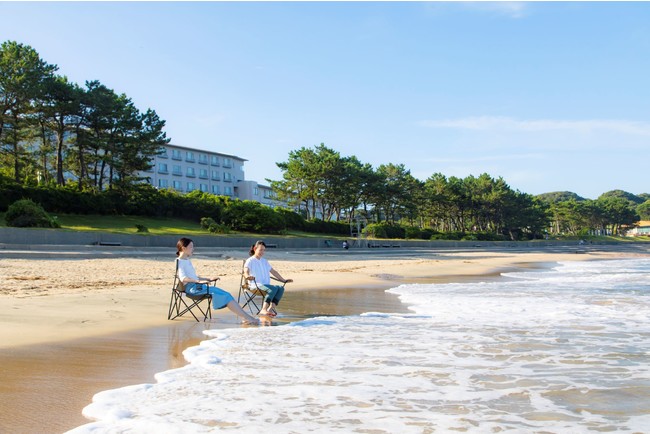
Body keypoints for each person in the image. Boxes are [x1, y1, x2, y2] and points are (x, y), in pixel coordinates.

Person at [176, 237, 259, 325]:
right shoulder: (180, 261)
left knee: (226, 294)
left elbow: (193, 276)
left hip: (198, 286)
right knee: (225, 295)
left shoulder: (186, 260)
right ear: (183, 248)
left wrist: (208, 279)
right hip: (193, 289)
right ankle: (248, 318)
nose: (193, 249)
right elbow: (183, 278)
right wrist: (198, 281)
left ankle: (246, 317)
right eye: (191, 247)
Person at [244, 240, 293, 317]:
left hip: (265, 286)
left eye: (263, 250)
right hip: (255, 286)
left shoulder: (264, 261)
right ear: (255, 249)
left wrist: (283, 280)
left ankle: (270, 309)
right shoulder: (250, 260)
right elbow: (246, 271)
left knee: (280, 288)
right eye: (260, 250)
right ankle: (263, 309)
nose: (262, 252)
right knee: (272, 289)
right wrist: (247, 276)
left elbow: (273, 271)